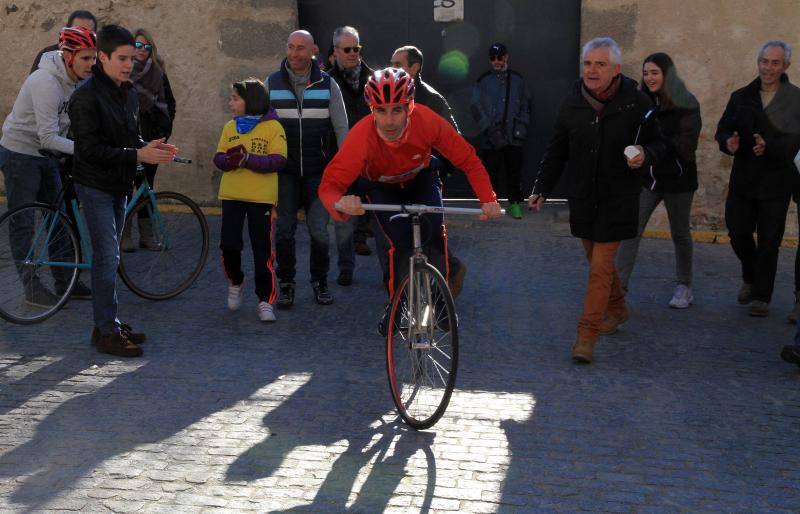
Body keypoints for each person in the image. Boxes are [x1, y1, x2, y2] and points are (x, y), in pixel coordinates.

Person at [318, 68, 502, 334]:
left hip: (421, 179)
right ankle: (396, 303)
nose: (389, 120)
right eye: (381, 111)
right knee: (401, 245)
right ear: (372, 109)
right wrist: (341, 204)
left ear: (410, 107)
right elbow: (329, 185)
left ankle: (441, 302)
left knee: (436, 237)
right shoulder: (361, 137)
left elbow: (468, 160)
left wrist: (488, 200)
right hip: (382, 187)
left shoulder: (428, 121)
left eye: (397, 110)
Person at [528, 37, 666, 364]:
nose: (592, 70)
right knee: (597, 263)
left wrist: (645, 154)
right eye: (588, 63)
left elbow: (661, 144)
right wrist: (541, 188)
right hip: (583, 196)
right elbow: (557, 150)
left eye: (600, 64)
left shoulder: (637, 102)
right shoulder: (573, 101)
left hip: (619, 197)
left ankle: (586, 335)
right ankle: (618, 309)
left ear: (616, 69)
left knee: (600, 269)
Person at [68, 24, 177, 357]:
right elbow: (87, 150)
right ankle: (106, 330)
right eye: (122, 58)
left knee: (109, 258)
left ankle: (107, 323)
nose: (129, 64)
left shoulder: (128, 92)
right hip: (94, 184)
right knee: (107, 256)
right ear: (102, 57)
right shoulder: (85, 96)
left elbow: (128, 139)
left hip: (119, 184)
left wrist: (149, 146)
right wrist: (137, 154)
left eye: (132, 58)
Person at [0, 26, 97, 305]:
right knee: (23, 222)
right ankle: (31, 289)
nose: (91, 65)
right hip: (20, 154)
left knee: (60, 219)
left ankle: (66, 282)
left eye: (93, 58)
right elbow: (47, 136)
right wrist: (87, 151)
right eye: (85, 59)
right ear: (67, 56)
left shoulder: (78, 79)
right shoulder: (45, 82)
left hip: (46, 154)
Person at [715, 40, 800, 318]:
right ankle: (750, 276)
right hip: (744, 178)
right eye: (765, 61)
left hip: (777, 181)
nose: (768, 67)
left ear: (785, 66)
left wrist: (771, 147)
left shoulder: (795, 100)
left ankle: (762, 296)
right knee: (737, 231)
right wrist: (728, 141)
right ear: (758, 63)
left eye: (775, 62)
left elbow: (797, 142)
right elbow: (723, 128)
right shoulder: (741, 96)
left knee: (769, 240)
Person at [266, 30, 348, 309]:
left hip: (318, 173)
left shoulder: (328, 85)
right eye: (290, 47)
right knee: (284, 230)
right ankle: (286, 284)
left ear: (314, 50)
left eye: (301, 48)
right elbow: (262, 126)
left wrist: (343, 170)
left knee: (319, 231)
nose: (294, 53)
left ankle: (320, 282)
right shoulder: (272, 83)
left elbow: (342, 130)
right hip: (284, 173)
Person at [616, 53, 702, 309]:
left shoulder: (686, 102)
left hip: (678, 178)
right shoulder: (641, 103)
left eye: (655, 72)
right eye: (646, 73)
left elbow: (686, 146)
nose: (649, 78)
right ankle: (618, 292)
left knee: (680, 234)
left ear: (667, 74)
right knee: (631, 231)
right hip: (648, 179)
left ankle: (684, 286)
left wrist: (651, 150)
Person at [390, 44, 467, 297]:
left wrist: (438, 168)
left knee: (429, 232)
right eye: (392, 63)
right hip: (393, 177)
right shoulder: (389, 95)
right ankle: (398, 291)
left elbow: (454, 139)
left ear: (415, 68)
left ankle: (447, 276)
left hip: (424, 177)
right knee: (396, 232)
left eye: (399, 64)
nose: (393, 69)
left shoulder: (432, 99)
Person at [214, 78, 286, 322]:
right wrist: (230, 161)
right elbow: (219, 158)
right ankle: (236, 281)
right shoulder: (229, 127)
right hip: (232, 195)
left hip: (261, 198)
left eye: (235, 98)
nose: (230, 102)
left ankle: (265, 300)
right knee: (229, 245)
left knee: (262, 251)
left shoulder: (273, 127)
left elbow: (278, 161)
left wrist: (248, 160)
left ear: (251, 100)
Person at [120, 28, 177, 252]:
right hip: (126, 140)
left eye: (146, 46)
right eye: (137, 45)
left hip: (151, 140)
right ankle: (124, 235)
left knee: (146, 188)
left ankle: (147, 235)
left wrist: (163, 133)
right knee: (124, 187)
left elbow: (169, 105)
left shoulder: (158, 73)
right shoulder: (122, 72)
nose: (141, 50)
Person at [327, 26, 375, 285]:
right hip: (343, 157)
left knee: (380, 213)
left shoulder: (373, 78)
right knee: (343, 217)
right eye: (347, 49)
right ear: (335, 52)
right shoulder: (326, 81)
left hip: (372, 159)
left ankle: (389, 271)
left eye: (356, 48)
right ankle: (346, 267)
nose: (353, 54)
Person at [471, 43, 531, 220]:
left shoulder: (518, 80)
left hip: (514, 136)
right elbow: (475, 106)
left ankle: (514, 204)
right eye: (492, 58)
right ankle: (490, 204)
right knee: (490, 172)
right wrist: (487, 127)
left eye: (499, 57)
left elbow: (526, 104)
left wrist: (522, 126)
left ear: (506, 57)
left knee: (514, 170)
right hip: (491, 136)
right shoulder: (483, 81)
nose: (496, 61)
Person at [30, 10, 97, 74]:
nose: (82, 37)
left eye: (88, 34)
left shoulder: (100, 59)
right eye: (77, 31)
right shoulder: (47, 55)